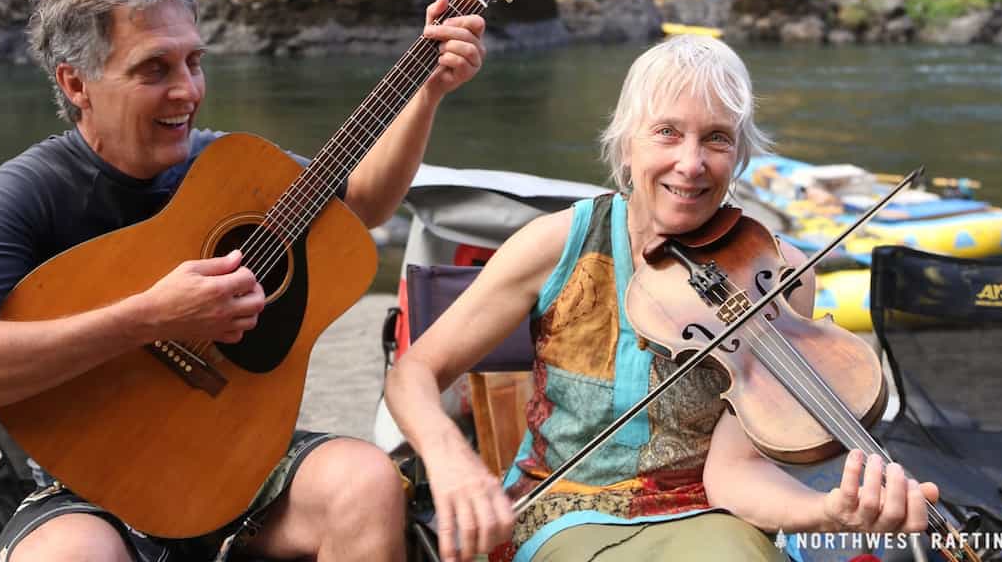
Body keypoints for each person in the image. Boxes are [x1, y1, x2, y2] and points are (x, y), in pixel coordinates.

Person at [0, 0, 487, 562]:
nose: (187, 90)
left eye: (194, 62)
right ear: (77, 82)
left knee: (366, 483)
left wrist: (426, 94)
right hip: (80, 486)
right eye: (154, 69)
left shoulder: (225, 166)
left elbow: (359, 206)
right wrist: (149, 317)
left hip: (234, 460)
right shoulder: (32, 189)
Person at [384, 35, 940, 562]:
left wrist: (827, 512)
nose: (692, 164)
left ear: (741, 153)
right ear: (627, 143)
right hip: (564, 510)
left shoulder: (778, 274)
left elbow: (733, 474)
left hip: (706, 512)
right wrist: (450, 457)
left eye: (717, 138)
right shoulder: (558, 244)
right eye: (668, 132)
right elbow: (413, 373)